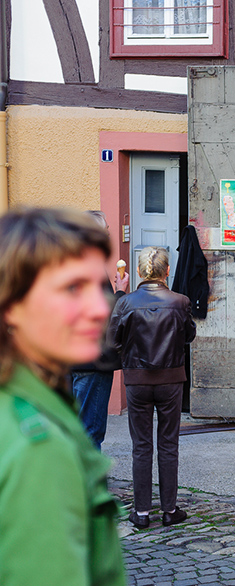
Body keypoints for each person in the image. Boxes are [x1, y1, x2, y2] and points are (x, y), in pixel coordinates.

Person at [0, 207, 127, 586]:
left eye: (95, 287)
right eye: (73, 288)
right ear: (13, 305)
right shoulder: (38, 447)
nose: (99, 308)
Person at [109, 246, 196, 529]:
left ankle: (142, 513)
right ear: (167, 270)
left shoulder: (126, 302)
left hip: (137, 380)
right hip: (171, 379)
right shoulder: (180, 301)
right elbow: (189, 335)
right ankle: (170, 510)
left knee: (141, 446)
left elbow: (114, 339)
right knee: (168, 444)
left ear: (137, 272)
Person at [70, 210, 129, 450]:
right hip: (92, 362)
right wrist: (121, 291)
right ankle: (88, 487)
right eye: (104, 231)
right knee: (90, 432)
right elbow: (105, 316)